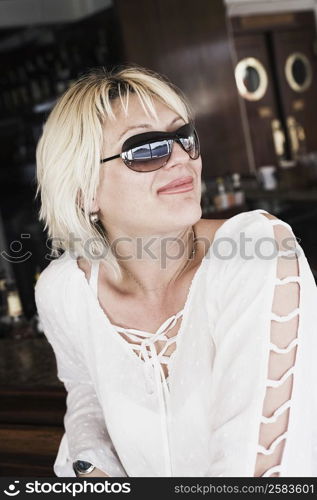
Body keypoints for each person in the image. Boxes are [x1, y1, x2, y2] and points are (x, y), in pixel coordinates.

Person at [34, 65, 317, 478]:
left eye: (184, 137)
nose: (182, 157)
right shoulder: (65, 290)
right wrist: (92, 469)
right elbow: (87, 395)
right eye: (145, 148)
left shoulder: (257, 253)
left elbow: (261, 469)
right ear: (84, 191)